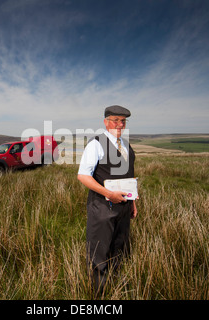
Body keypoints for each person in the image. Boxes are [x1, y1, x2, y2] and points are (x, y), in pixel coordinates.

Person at [77, 105, 137, 296]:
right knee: (99, 250)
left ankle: (116, 286)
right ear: (105, 122)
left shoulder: (127, 146)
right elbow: (83, 176)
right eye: (115, 120)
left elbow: (130, 176)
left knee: (119, 246)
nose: (119, 124)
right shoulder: (96, 144)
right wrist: (108, 194)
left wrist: (133, 202)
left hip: (124, 208)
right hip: (102, 207)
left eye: (123, 121)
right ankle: (99, 294)